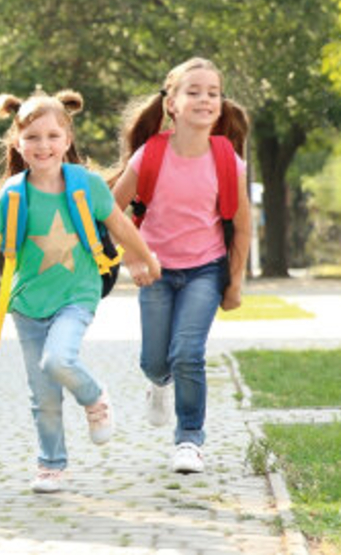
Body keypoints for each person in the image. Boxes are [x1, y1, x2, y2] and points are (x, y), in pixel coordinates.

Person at [0, 89, 160, 494]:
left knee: (58, 359)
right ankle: (51, 465)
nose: (43, 145)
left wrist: (146, 255)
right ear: (17, 143)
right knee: (43, 395)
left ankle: (94, 397)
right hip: (26, 305)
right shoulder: (13, 194)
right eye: (32, 137)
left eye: (52, 136)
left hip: (77, 295)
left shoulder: (87, 186)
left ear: (68, 139)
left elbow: (121, 226)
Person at [111, 58, 250, 474]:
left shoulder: (230, 161)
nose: (205, 99)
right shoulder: (148, 155)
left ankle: (189, 439)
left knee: (188, 353)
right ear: (171, 103)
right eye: (194, 91)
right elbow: (111, 211)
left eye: (213, 92)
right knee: (156, 361)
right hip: (155, 269)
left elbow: (242, 230)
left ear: (221, 106)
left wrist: (235, 285)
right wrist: (134, 257)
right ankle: (159, 384)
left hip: (206, 270)